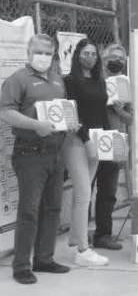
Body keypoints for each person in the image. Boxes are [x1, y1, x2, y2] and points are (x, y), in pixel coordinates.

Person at [0, 34, 75, 284]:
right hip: (29, 154)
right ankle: (21, 266)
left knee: (53, 208)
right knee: (29, 211)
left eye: (47, 53)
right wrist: (36, 125)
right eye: (38, 52)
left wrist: (70, 123)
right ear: (29, 53)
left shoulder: (57, 79)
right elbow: (5, 112)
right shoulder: (18, 79)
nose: (43, 57)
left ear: (53, 55)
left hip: (55, 153)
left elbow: (62, 109)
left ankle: (44, 259)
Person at [62, 38, 110, 266]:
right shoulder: (70, 81)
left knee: (84, 193)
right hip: (77, 141)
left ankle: (74, 239)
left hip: (98, 140)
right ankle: (83, 250)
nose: (89, 57)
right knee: (83, 194)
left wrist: (109, 139)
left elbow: (102, 113)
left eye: (93, 53)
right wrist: (87, 140)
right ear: (77, 55)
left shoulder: (100, 81)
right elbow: (72, 115)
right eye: (85, 53)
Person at [93, 43, 132, 250]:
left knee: (108, 191)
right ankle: (81, 236)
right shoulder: (93, 79)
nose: (116, 61)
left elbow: (130, 119)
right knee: (85, 190)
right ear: (103, 59)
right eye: (112, 58)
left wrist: (118, 109)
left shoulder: (125, 84)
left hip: (115, 139)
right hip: (92, 138)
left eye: (120, 59)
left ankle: (103, 234)